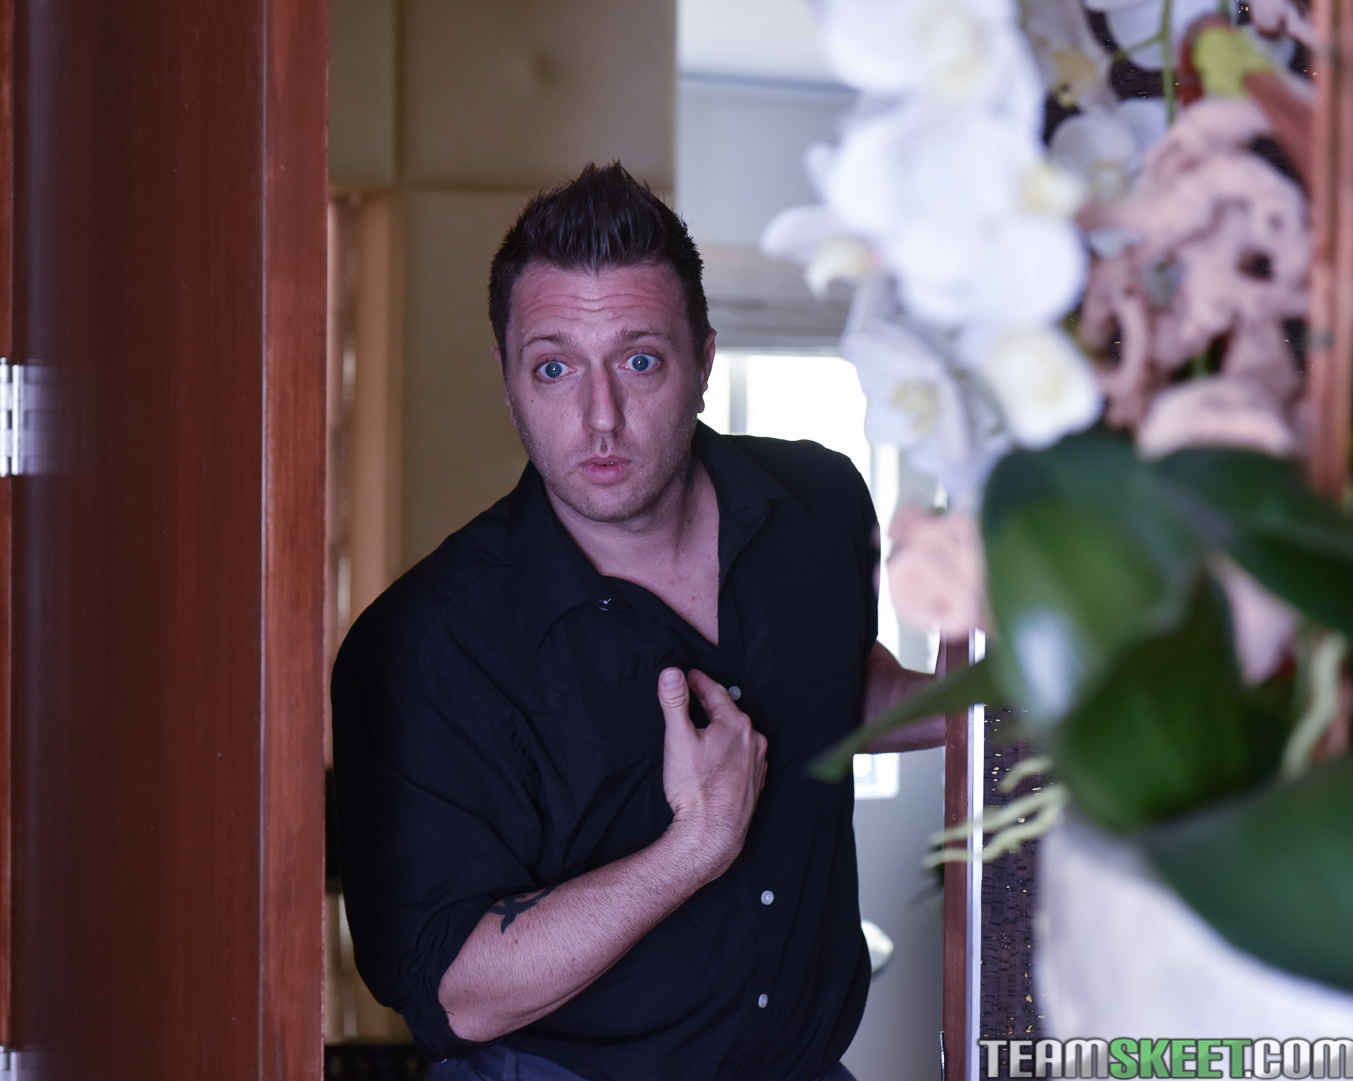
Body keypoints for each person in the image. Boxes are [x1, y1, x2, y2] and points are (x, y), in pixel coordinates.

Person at [331, 162, 942, 1081]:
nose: (600, 417)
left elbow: (829, 682)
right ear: (508, 379)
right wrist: (695, 845)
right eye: (554, 368)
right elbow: (458, 992)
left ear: (703, 360)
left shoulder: (818, 504)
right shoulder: (423, 645)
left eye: (640, 360)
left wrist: (994, 701)